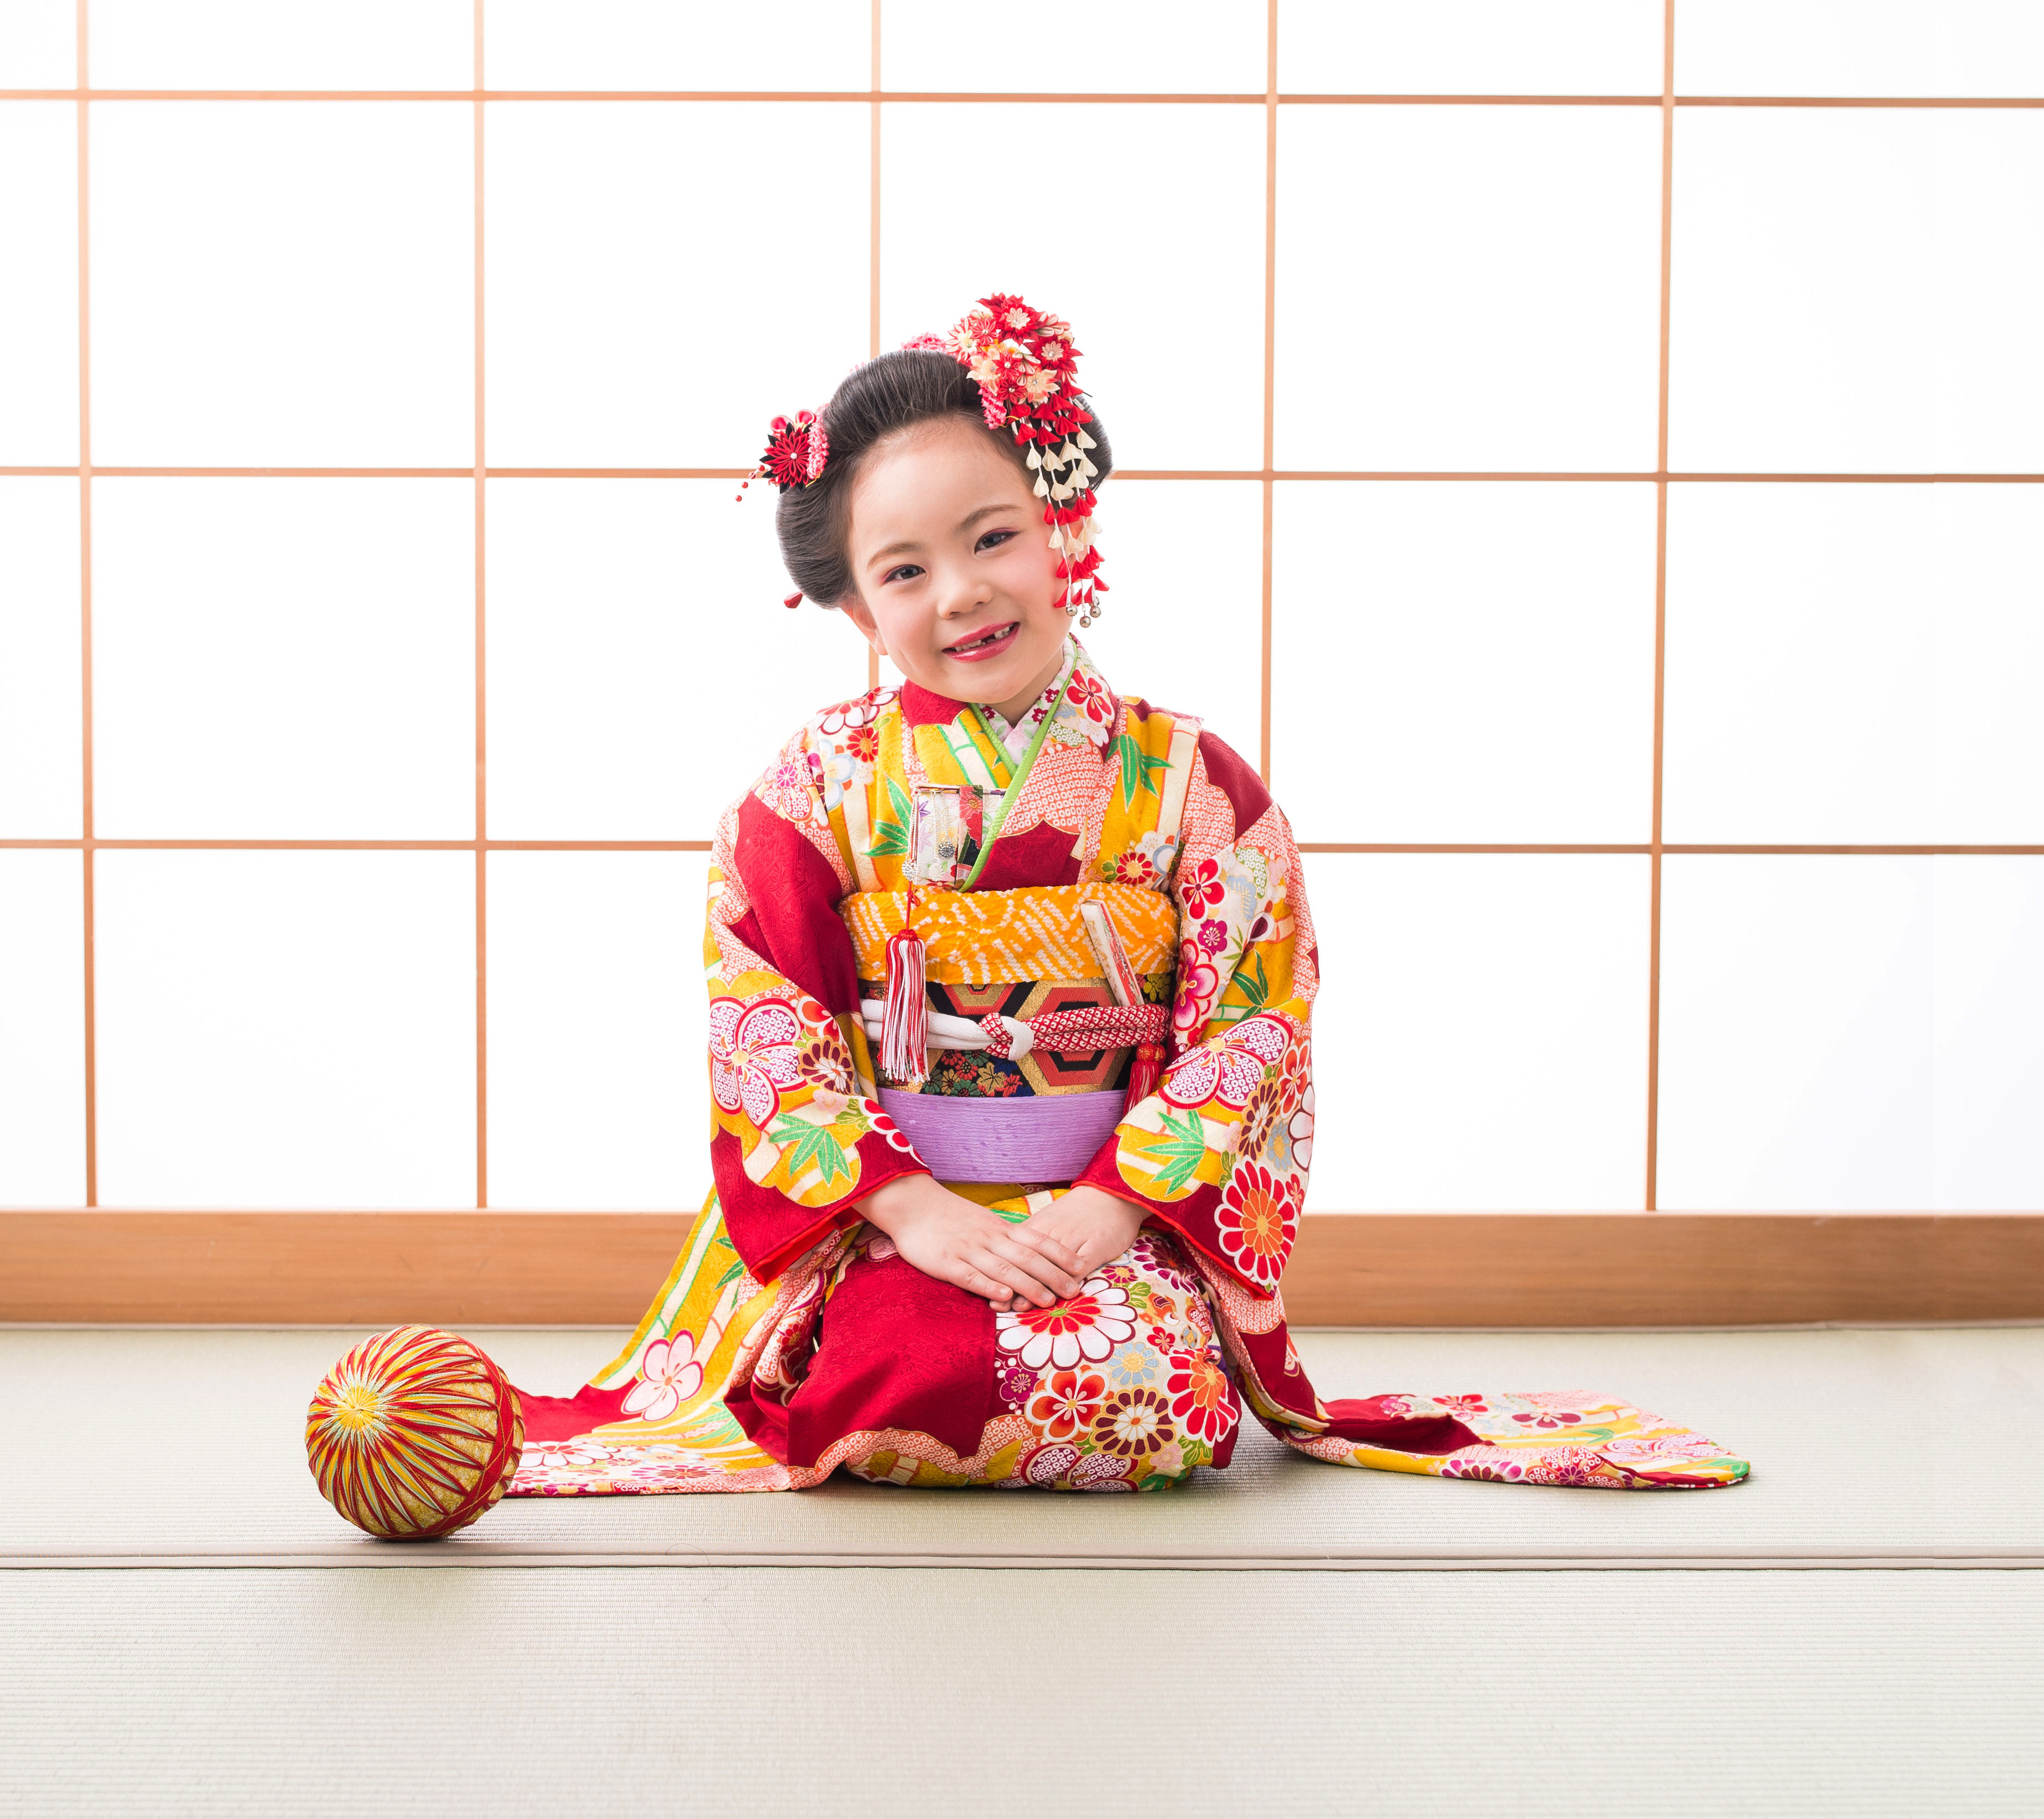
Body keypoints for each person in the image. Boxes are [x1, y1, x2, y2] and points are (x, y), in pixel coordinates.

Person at [508, 297, 1744, 1497]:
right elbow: (760, 1017)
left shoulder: (1192, 784)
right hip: (888, 1213)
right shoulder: (809, 789)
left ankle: (1081, 1322)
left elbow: (1252, 1017)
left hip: (1110, 1210)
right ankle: (878, 1327)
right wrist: (908, 1208)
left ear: (1064, 521)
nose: (959, 594)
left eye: (992, 537)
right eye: (904, 570)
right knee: (886, 1367)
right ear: (853, 607)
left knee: (1141, 1385)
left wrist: (1112, 1202)